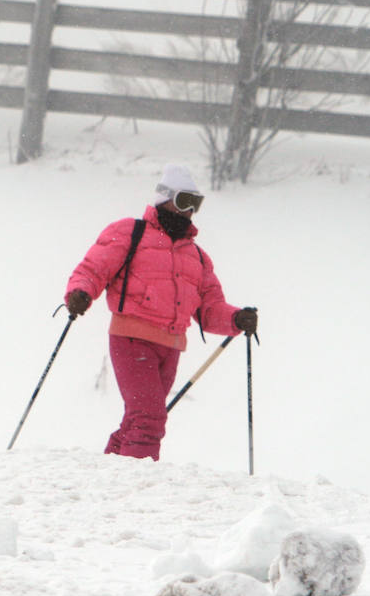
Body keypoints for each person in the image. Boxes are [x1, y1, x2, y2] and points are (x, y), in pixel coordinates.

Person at [65, 163, 258, 460]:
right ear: (164, 198)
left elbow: (209, 309)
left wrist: (235, 319)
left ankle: (107, 474)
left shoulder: (197, 257)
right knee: (149, 418)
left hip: (170, 348)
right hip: (132, 340)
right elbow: (93, 269)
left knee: (137, 419)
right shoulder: (131, 233)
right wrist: (80, 293)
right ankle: (137, 487)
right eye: (183, 201)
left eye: (195, 204)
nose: (188, 212)